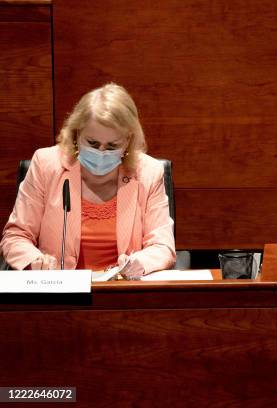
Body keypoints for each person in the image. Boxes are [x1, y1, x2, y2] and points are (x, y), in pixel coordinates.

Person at [1, 83, 176, 279]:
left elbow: (163, 246)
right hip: (61, 296)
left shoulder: (149, 172)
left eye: (112, 146)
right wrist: (34, 261)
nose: (101, 152)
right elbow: (16, 236)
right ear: (76, 135)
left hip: (122, 293)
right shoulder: (46, 165)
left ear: (128, 141)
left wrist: (141, 263)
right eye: (92, 143)